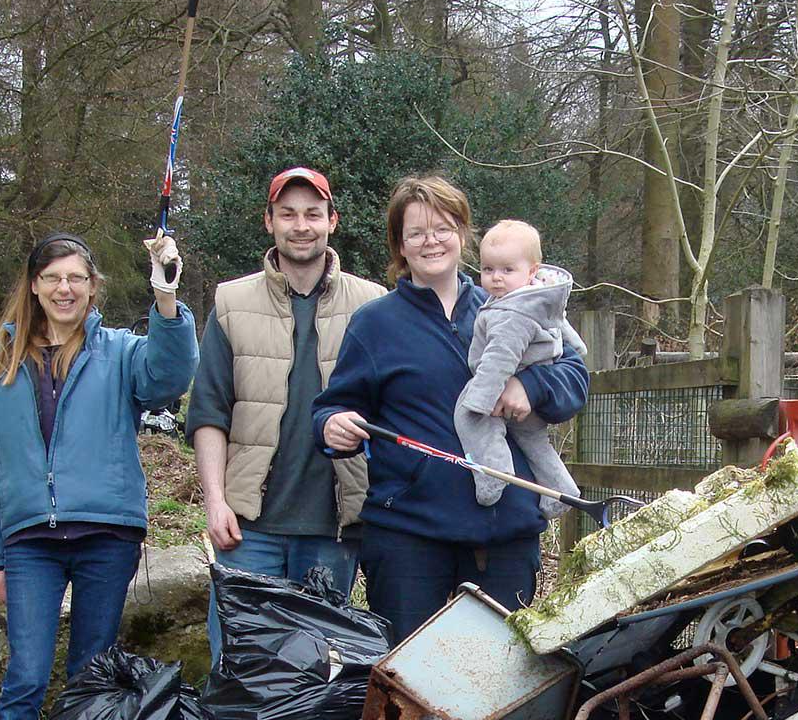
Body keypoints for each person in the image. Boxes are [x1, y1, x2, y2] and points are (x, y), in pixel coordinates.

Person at [0, 232, 199, 720]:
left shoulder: (120, 353)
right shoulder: (1, 364)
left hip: (106, 536)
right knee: (27, 678)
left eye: (77, 278)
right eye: (52, 278)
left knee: (92, 681)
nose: (64, 289)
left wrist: (166, 294)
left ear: (93, 288)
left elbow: (172, 376)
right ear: (34, 286)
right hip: (29, 542)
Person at [314, 177, 590, 643]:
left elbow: (575, 376)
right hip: (407, 539)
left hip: (504, 535)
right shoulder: (374, 324)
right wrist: (331, 426)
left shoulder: (514, 303)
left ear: (463, 233)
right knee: (407, 684)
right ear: (400, 244)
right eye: (416, 232)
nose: (431, 241)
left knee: (498, 682)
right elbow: (334, 406)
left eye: (442, 227)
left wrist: (532, 384)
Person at [189, 167, 384, 662]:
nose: (301, 225)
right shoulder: (231, 302)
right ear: (269, 221)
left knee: (315, 675)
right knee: (238, 665)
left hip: (333, 528)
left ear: (332, 222)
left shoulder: (372, 305)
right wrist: (215, 501)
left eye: (313, 214)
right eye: (288, 214)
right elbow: (210, 410)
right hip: (249, 526)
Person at [458, 218, 585, 520]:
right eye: (488, 270)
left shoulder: (510, 312)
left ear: (532, 271)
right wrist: (576, 349)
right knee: (535, 442)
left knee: (468, 417)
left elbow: (500, 357)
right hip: (532, 389)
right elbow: (566, 334)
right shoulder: (537, 297)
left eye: (507, 270)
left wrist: (481, 401)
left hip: (510, 380)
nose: (496, 278)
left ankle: (494, 473)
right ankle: (561, 490)